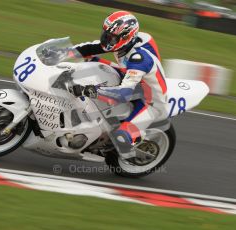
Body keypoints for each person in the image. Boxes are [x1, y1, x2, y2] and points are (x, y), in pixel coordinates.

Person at [70, 11, 168, 154]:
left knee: (120, 139)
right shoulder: (125, 43)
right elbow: (88, 47)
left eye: (111, 38)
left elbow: (124, 94)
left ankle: (138, 142)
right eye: (106, 34)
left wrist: (90, 90)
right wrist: (63, 52)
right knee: (91, 59)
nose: (106, 40)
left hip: (149, 102)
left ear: (126, 37)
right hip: (133, 81)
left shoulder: (139, 59)